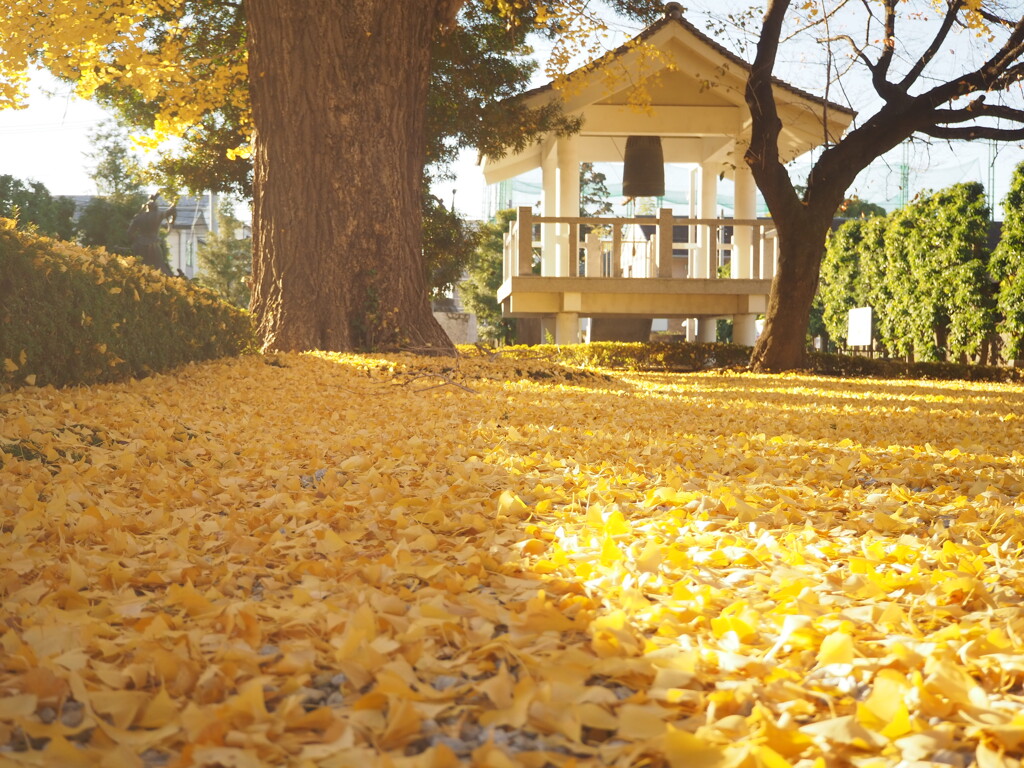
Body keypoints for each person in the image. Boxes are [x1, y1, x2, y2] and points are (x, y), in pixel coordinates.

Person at [127, 194, 176, 274]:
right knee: (159, 268)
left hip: (139, 245)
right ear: (155, 207)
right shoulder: (158, 215)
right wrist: (172, 220)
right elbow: (173, 210)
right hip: (153, 245)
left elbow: (129, 233)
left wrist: (137, 240)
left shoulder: (138, 217)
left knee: (139, 269)